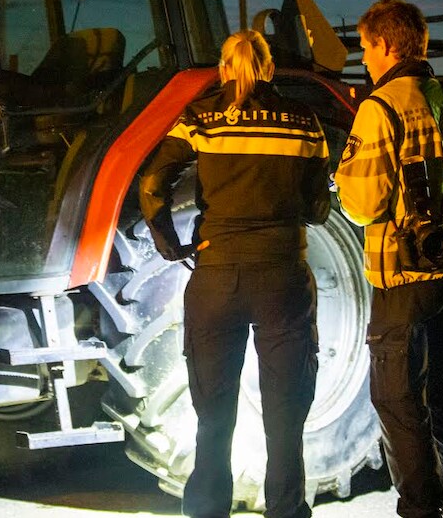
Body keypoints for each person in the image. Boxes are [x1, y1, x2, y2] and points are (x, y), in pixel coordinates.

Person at [139, 29, 331, 518]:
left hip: (216, 276)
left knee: (213, 416)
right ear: (269, 69)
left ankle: (208, 511)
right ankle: (286, 510)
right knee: (285, 418)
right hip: (282, 278)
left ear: (224, 69)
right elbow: (317, 208)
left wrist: (170, 244)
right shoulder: (304, 121)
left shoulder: (199, 117)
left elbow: (153, 183)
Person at [333, 0, 443, 518]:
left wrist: (341, 182)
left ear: (386, 45)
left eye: (366, 48)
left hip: (401, 280)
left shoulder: (379, 108)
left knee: (397, 400)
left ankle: (420, 509)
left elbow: (364, 204)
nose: (364, 59)